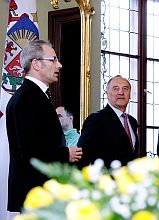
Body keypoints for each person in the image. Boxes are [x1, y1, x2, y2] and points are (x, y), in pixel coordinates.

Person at [6, 40, 82, 213]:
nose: (59, 65)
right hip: (35, 194)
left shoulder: (33, 95)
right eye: (53, 59)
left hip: (41, 193)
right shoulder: (27, 98)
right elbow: (30, 151)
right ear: (36, 64)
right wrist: (66, 153)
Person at [77, 75, 140, 169]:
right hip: (105, 180)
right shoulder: (95, 119)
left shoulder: (132, 121)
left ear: (130, 94)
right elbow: (83, 156)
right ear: (107, 94)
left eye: (125, 89)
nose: (121, 92)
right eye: (115, 89)